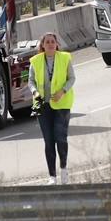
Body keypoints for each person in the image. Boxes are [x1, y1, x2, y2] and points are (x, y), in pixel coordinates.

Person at [27, 32, 75, 185]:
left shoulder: (65, 58)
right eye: (47, 42)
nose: (50, 44)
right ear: (42, 45)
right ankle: (52, 176)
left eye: (52, 41)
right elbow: (30, 81)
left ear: (56, 44)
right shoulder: (35, 61)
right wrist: (34, 92)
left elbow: (72, 78)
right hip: (42, 105)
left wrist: (63, 91)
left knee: (60, 138)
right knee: (49, 141)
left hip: (62, 104)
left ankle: (63, 169)